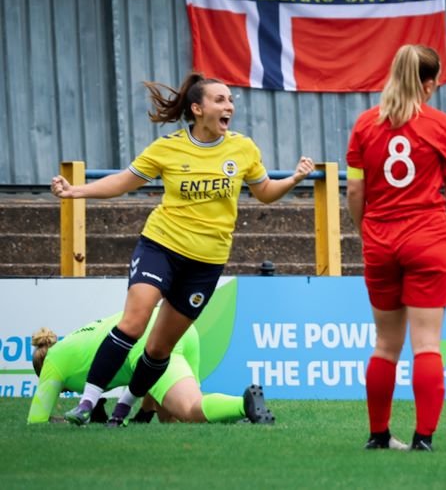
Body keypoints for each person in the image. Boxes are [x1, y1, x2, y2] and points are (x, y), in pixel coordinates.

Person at [50, 72, 314, 426]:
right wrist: (75, 191)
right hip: (161, 245)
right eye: (220, 100)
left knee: (159, 348)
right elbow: (124, 181)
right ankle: (86, 403)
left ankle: (125, 409)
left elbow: (264, 190)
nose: (229, 106)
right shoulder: (168, 147)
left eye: (231, 100)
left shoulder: (243, 148)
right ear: (197, 108)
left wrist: (293, 180)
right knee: (134, 321)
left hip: (206, 262)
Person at [346, 44, 446, 452]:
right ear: (428, 84)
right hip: (427, 237)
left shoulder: (364, 124)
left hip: (380, 239)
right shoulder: (440, 124)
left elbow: (355, 190)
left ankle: (379, 435)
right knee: (427, 344)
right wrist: (441, 228)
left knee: (384, 344)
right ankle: (424, 440)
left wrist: (367, 231)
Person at [28, 307, 273, 425]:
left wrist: (60, 420)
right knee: (171, 419)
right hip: (176, 326)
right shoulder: (76, 340)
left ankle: (244, 405)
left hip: (148, 342)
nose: (64, 392)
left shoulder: (53, 362)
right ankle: (233, 417)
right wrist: (143, 415)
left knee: (189, 410)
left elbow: (36, 421)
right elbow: (146, 380)